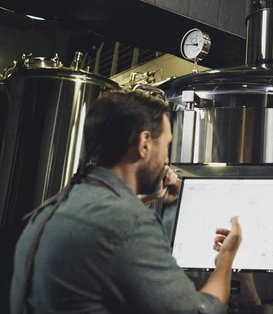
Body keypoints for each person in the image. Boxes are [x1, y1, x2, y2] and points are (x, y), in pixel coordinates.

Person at [10, 90, 242, 314]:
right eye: (166, 145)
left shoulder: (50, 209)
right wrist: (226, 257)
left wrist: (149, 197)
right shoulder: (128, 222)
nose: (167, 159)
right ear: (144, 144)